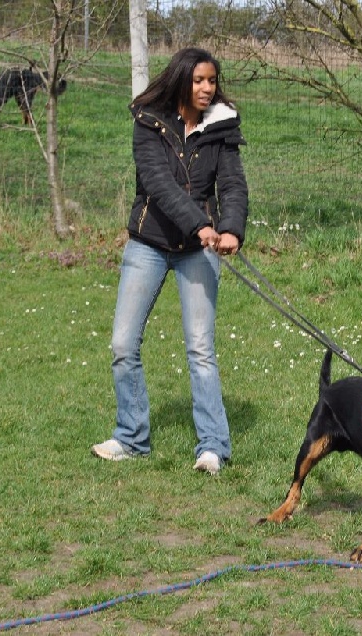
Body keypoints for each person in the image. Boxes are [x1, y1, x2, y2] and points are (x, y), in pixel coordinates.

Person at [92, 47, 249, 475]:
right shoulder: (149, 120)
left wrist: (231, 227)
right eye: (199, 80)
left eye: (212, 81)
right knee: (123, 345)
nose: (206, 88)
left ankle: (213, 446)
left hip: (200, 251)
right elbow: (157, 184)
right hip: (150, 242)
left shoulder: (221, 125)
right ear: (182, 79)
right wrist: (201, 223)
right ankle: (131, 437)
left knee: (201, 348)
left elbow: (233, 184)